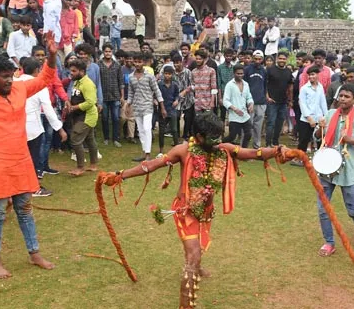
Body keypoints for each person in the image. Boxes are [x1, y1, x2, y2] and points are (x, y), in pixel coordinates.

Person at [100, 112, 288, 309]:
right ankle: (185, 304)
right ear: (198, 137)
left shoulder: (223, 149)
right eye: (213, 138)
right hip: (185, 211)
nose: (218, 142)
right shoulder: (183, 151)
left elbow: (253, 153)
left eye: (219, 137)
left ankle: (196, 265)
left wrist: (278, 150)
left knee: (197, 249)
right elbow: (151, 165)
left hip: (206, 212)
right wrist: (121, 175)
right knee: (193, 253)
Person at [0, 32, 59, 278]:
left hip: (20, 161)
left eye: (12, 75)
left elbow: (45, 78)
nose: (10, 80)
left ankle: (34, 253)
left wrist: (52, 55)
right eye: (5, 77)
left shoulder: (19, 89)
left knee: (25, 209)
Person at [314, 82, 354, 254]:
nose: (342, 99)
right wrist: (320, 129)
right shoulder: (331, 113)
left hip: (347, 171)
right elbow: (318, 136)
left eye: (347, 97)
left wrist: (352, 140)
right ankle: (329, 242)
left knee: (353, 210)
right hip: (326, 170)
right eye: (341, 95)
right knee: (323, 208)